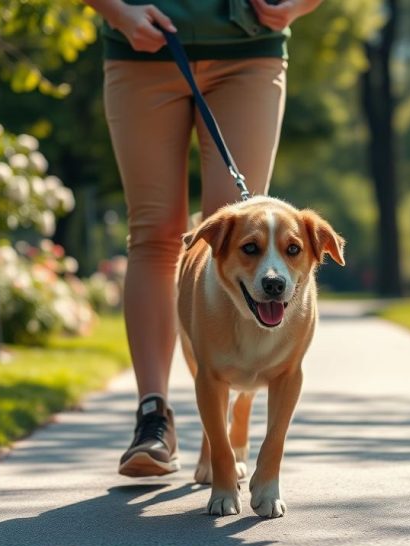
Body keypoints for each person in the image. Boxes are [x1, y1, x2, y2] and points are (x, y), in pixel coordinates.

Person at [82, 0, 324, 477]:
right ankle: (153, 418)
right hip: (139, 47)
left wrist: (296, 5)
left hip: (249, 49)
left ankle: (231, 420)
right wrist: (116, 12)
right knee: (155, 236)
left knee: (238, 232)